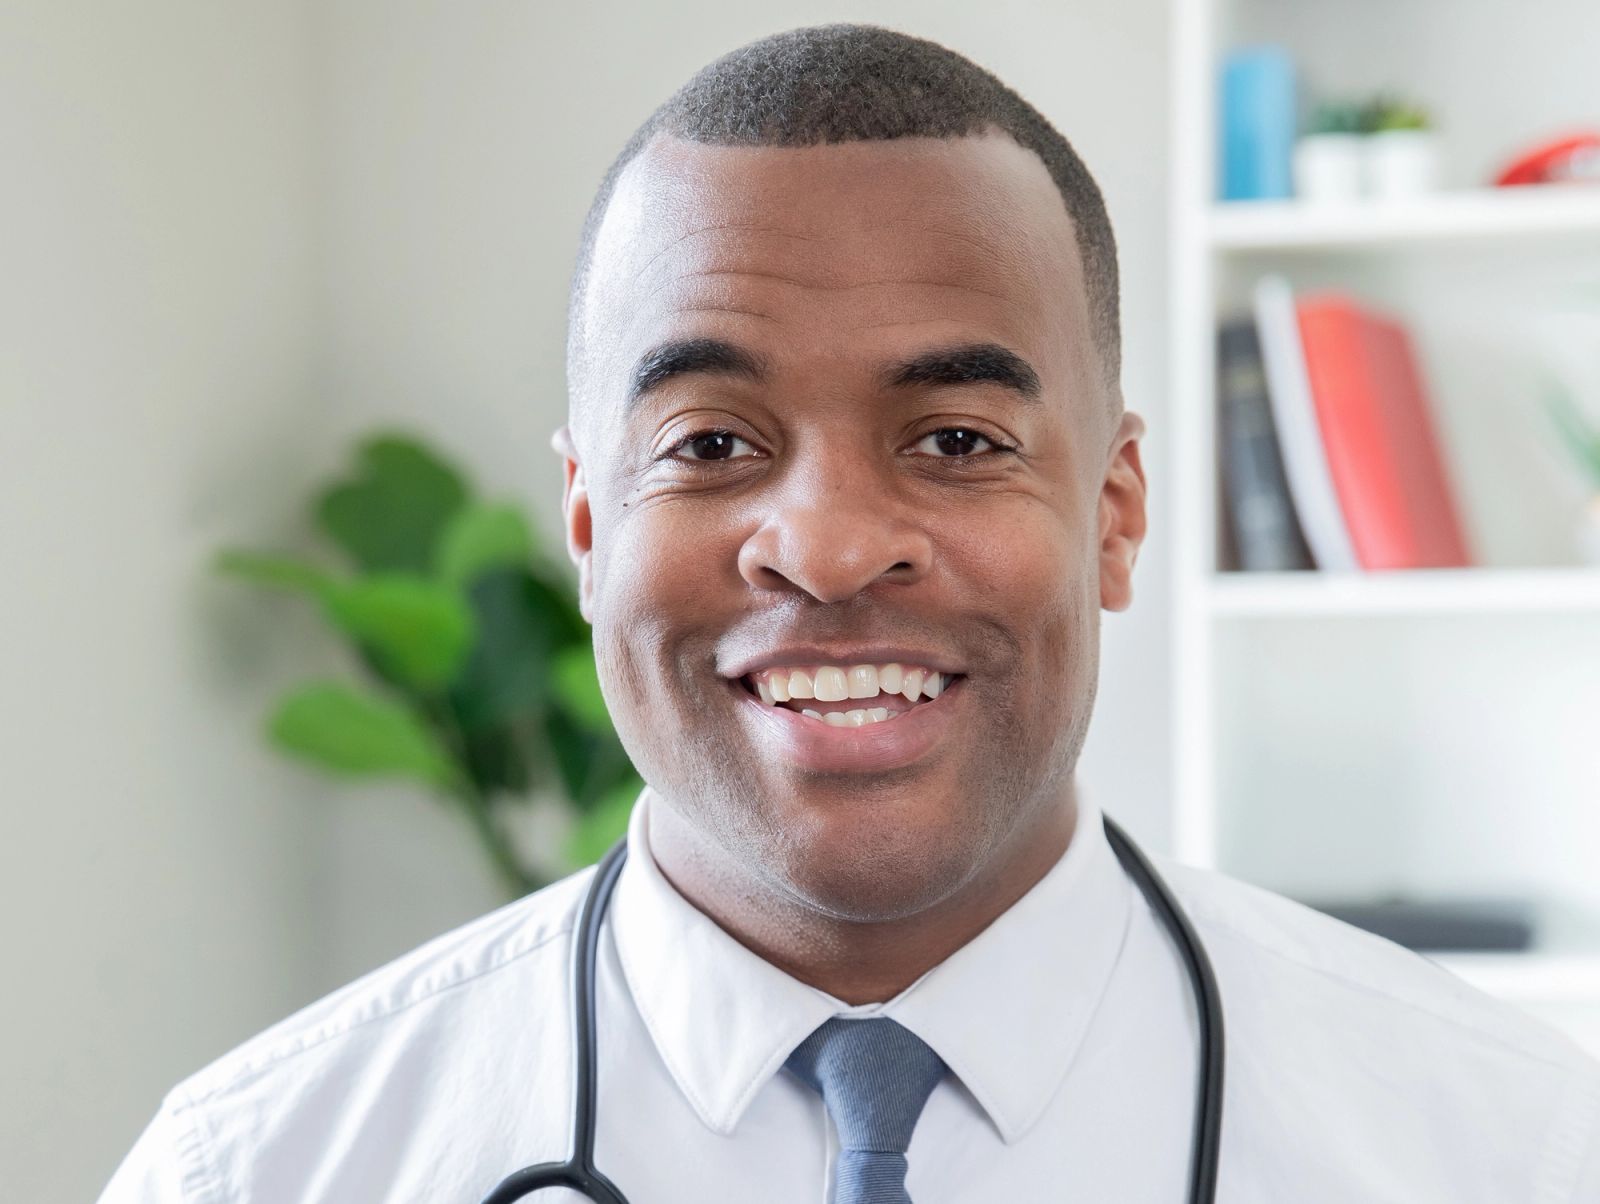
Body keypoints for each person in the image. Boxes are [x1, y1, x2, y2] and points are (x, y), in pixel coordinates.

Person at [99, 23, 1600, 1203]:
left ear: (1116, 512)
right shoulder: (257, 1172)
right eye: (710, 445)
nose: (824, 549)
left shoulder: (1511, 1156)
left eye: (956, 439)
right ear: (584, 525)